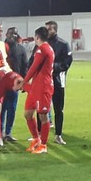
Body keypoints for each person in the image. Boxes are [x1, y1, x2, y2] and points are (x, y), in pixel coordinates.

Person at [23, 26, 55, 154]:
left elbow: (34, 67)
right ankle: (36, 139)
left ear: (37, 37)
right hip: (35, 87)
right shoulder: (47, 49)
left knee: (43, 115)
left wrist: (24, 82)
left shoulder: (43, 49)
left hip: (43, 88)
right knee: (28, 114)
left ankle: (43, 145)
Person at [45, 20, 73, 145]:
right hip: (44, 81)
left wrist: (52, 67)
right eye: (46, 29)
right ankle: (39, 134)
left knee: (58, 109)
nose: (47, 31)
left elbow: (67, 63)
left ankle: (58, 135)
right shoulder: (43, 43)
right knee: (42, 109)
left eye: (49, 29)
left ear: (55, 30)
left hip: (57, 81)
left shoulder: (63, 44)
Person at [1, 27, 28, 141]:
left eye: (15, 34)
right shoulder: (0, 47)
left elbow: (24, 66)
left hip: (15, 84)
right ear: (6, 34)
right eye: (10, 33)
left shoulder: (21, 49)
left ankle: (8, 133)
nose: (12, 36)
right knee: (1, 108)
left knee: (11, 108)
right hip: (1, 82)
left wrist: (24, 83)